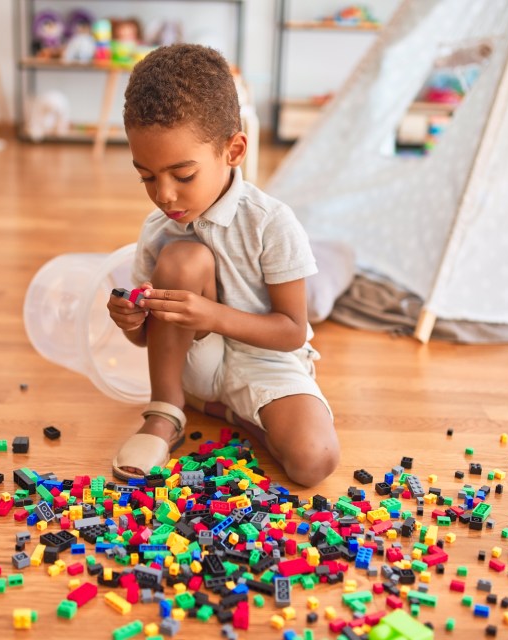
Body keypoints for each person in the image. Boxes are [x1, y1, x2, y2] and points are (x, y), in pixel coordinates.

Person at [107, 44, 339, 487]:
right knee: (183, 257)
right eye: (147, 177)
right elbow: (147, 339)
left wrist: (212, 315)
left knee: (315, 459)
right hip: (193, 363)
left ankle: (228, 412)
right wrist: (130, 319)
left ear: (233, 151)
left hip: (266, 359)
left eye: (183, 175)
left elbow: (291, 330)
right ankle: (166, 410)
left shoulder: (272, 222)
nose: (165, 195)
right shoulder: (158, 229)